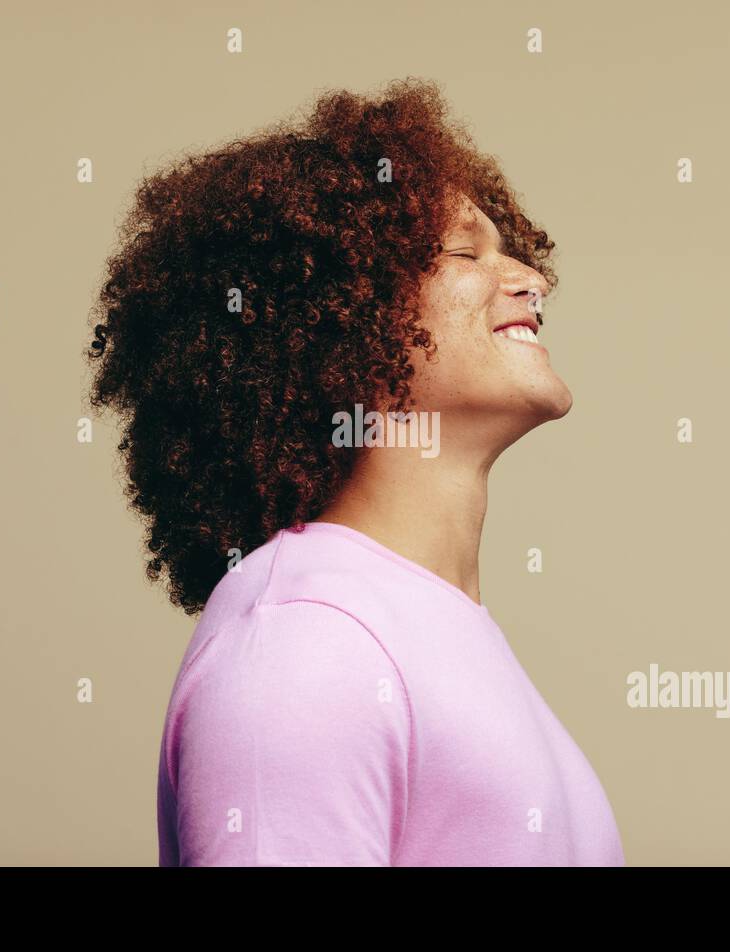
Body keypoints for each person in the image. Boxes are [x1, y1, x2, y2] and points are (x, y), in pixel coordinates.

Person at [86, 79, 624, 866]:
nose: (530, 280)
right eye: (466, 250)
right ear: (347, 308)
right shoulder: (307, 637)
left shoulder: (423, 632)